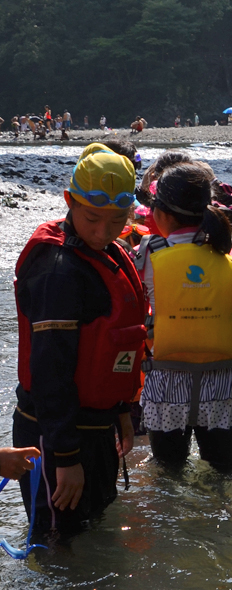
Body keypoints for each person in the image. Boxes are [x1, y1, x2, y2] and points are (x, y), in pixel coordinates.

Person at [13, 143, 144, 534]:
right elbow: (50, 372)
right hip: (55, 435)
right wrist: (65, 457)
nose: (104, 232)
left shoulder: (109, 252)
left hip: (96, 426)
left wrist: (122, 412)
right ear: (69, 201)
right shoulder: (57, 271)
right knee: (59, 547)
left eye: (118, 220)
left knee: (94, 531)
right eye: (92, 219)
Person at [136, 163, 232, 472]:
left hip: (166, 382)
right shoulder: (226, 255)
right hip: (221, 383)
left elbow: (134, 317)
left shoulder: (146, 253)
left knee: (167, 474)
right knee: (226, 474)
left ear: (161, 214)